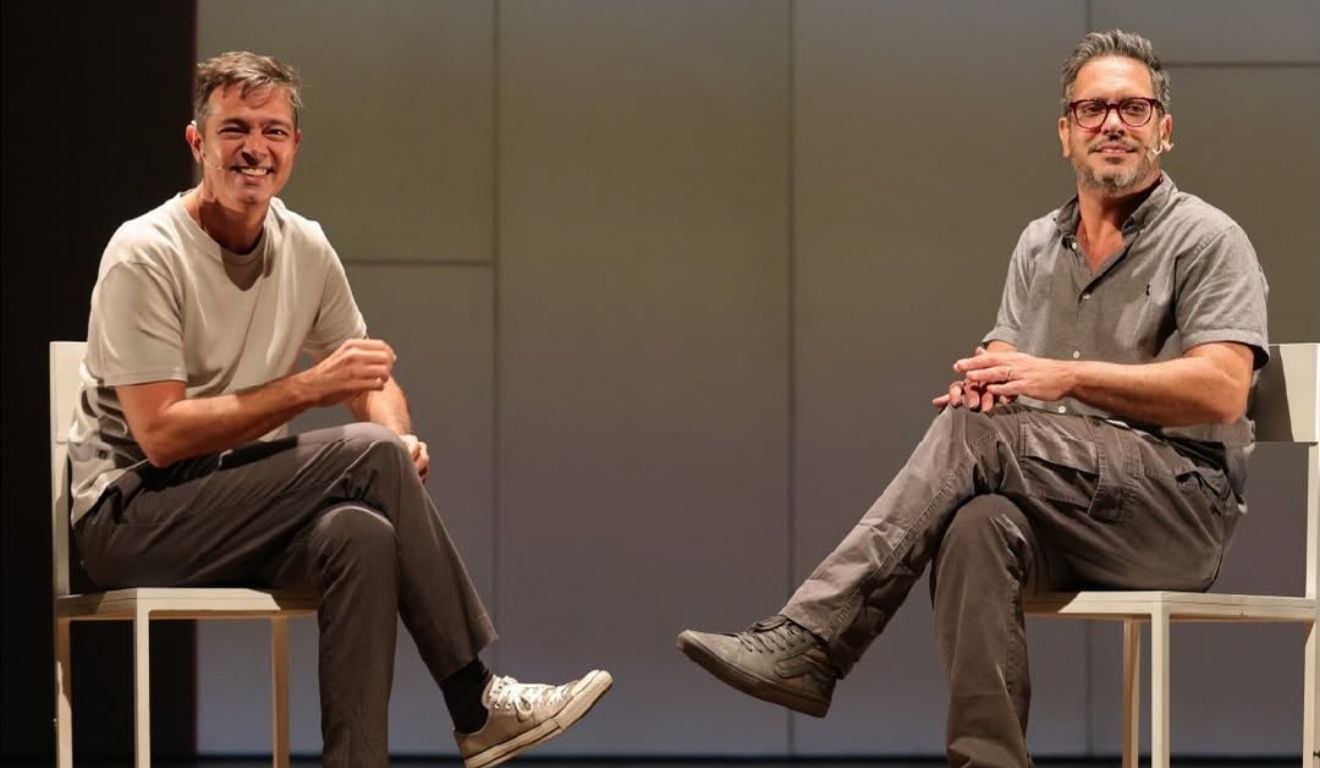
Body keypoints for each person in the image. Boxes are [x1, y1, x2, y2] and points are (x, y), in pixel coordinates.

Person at [677, 29, 1268, 765]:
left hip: (1175, 513)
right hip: (1069, 507)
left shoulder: (1208, 238)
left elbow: (1223, 389)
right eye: (1092, 110)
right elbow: (1007, 361)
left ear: (1165, 130)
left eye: (1134, 108)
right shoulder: (1037, 244)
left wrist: (1064, 376)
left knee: (979, 437)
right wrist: (987, 380)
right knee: (975, 526)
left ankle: (814, 639)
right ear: (1065, 132)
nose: (1113, 124)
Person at [68, 51, 610, 768]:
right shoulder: (145, 252)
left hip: (233, 508)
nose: (255, 148)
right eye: (234, 129)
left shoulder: (305, 246)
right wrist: (307, 391)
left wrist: (397, 439)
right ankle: (475, 700)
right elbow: (161, 435)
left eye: (273, 131)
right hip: (130, 517)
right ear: (197, 142)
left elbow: (369, 378)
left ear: (295, 146)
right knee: (366, 457)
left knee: (363, 533)